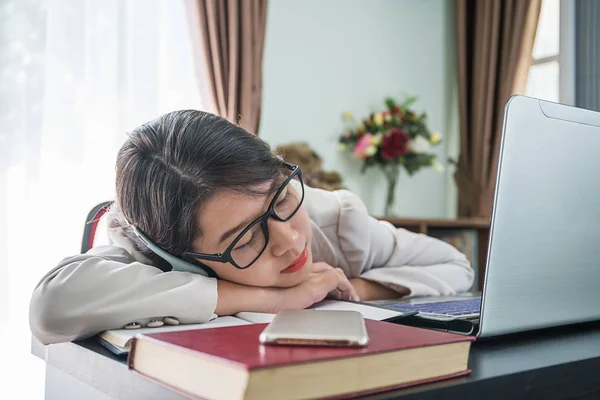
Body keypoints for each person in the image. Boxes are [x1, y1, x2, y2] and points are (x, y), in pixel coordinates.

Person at [29, 110, 474, 345]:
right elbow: (52, 306)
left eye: (280, 198)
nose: (289, 239)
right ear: (183, 259)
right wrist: (270, 297)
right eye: (244, 238)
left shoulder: (333, 221)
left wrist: (355, 287)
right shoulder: (143, 251)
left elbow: (456, 265)